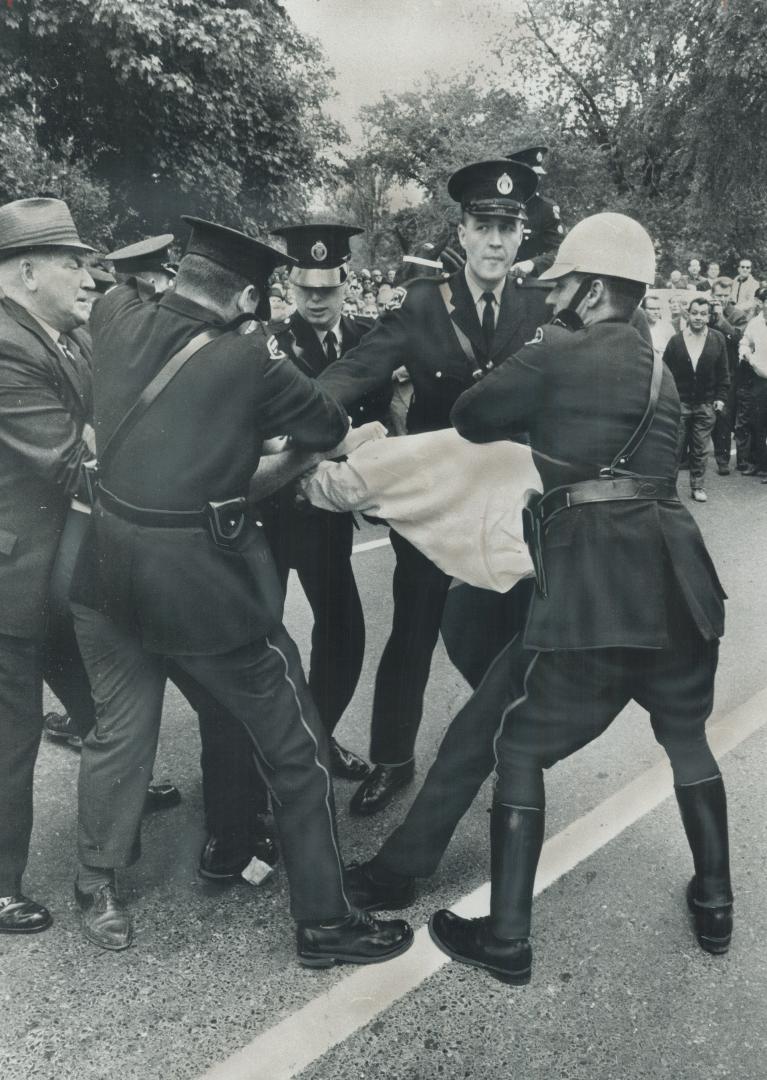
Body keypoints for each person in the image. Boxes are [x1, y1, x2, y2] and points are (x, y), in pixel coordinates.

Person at [348, 213, 731, 985]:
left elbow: (471, 415)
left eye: (562, 288)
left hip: (587, 593)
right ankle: (716, 903)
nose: (554, 300)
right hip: (677, 586)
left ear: (590, 290)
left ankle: (505, 938)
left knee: (511, 745)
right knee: (686, 741)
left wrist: (538, 354)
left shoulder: (554, 348)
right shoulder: (657, 368)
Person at [69, 215, 413, 967]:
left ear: (178, 269)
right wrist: (287, 453)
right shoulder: (251, 359)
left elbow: (125, 292)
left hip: (108, 574)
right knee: (298, 750)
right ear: (252, 295)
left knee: (125, 729)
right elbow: (326, 424)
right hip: (200, 589)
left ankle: (141, 861)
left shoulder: (114, 314)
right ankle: (324, 923)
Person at [318, 158, 548, 816]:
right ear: (463, 232)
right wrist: (298, 418)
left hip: (512, 507)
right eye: (484, 225)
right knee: (412, 631)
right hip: (432, 507)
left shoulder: (540, 309)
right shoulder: (422, 306)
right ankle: (394, 758)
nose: (496, 240)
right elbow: (351, 372)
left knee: (509, 639)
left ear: (521, 234)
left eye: (509, 227)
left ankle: (511, 757)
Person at [0, 197, 96, 934]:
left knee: (96, 689)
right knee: (11, 736)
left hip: (53, 567)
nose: (86, 276)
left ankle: (117, 779)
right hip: (12, 574)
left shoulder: (54, 333)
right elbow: (67, 460)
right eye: (73, 262)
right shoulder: (6, 344)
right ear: (27, 271)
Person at [662, 295, 729, 502]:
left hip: (705, 405)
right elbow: (666, 373)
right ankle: (668, 489)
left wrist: (720, 397)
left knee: (701, 449)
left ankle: (698, 487)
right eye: (694, 313)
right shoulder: (676, 341)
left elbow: (724, 373)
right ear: (687, 314)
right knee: (675, 449)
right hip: (680, 404)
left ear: (709, 316)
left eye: (703, 314)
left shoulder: (717, 339)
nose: (698, 318)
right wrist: (668, 401)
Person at [709, 277, 749, 474]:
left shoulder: (738, 315)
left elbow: (737, 337)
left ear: (731, 295)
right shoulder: (704, 311)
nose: (722, 299)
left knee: (724, 416)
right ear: (712, 294)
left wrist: (720, 319)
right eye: (718, 295)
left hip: (729, 372)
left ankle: (722, 460)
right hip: (708, 371)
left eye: (725, 295)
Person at [507, 144, 565, 277]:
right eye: (532, 176)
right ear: (517, 176)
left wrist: (533, 264)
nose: (538, 180)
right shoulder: (498, 204)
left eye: (539, 176)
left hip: (528, 285)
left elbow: (561, 251)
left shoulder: (546, 209)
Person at [738, 285, 767, 481]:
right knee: (758, 423)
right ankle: (760, 465)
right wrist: (748, 356)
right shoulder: (755, 323)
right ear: (762, 303)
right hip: (759, 378)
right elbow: (744, 342)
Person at [641, 293, 673, 362]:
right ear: (643, 309)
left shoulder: (667, 328)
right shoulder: (638, 327)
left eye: (658, 309)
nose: (656, 312)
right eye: (651, 309)